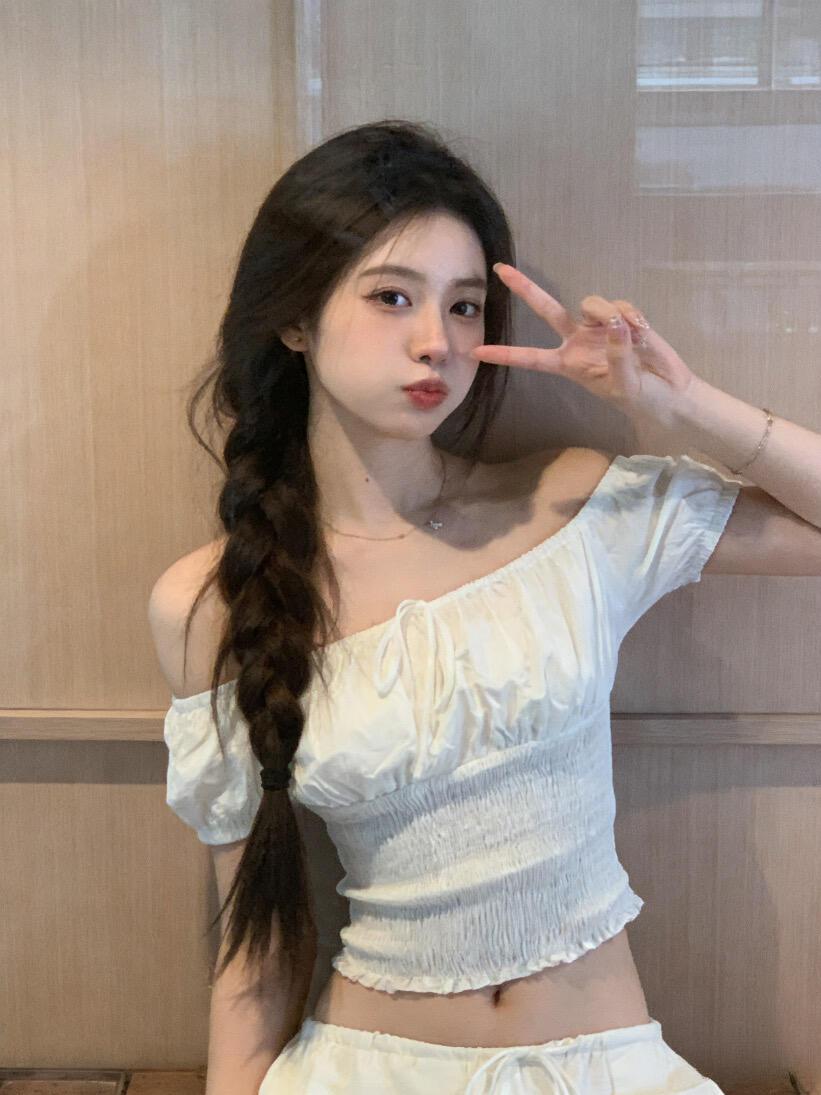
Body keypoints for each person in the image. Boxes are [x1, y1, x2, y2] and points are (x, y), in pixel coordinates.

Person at [149, 119, 734, 1092]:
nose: (438, 342)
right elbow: (256, 954)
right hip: (362, 1069)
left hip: (607, 1067)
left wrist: (674, 404)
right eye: (391, 297)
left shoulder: (568, 506)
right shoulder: (211, 599)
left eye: (465, 306)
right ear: (293, 319)